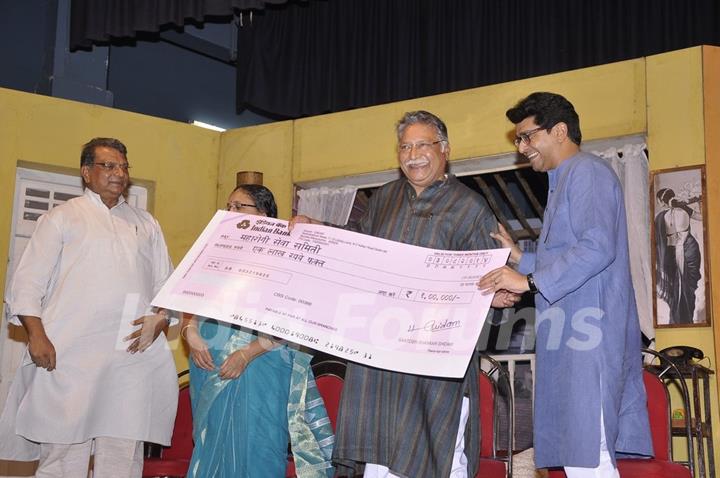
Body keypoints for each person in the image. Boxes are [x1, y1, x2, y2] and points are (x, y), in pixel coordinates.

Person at [291, 111, 518, 478]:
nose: (413, 154)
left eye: (422, 145)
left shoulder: (470, 209)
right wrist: (316, 228)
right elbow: (355, 249)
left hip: (435, 366)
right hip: (380, 358)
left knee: (438, 455)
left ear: (444, 149)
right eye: (405, 146)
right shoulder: (383, 200)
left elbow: (489, 276)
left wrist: (490, 295)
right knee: (378, 460)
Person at [478, 92, 653, 477]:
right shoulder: (563, 182)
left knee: (590, 459)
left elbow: (597, 248)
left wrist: (528, 280)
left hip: (591, 348)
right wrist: (520, 258)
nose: (522, 148)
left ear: (559, 131)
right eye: (519, 140)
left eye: (527, 137)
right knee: (580, 459)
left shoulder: (587, 172)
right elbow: (569, 255)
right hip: (576, 342)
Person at [0, 138, 178, 477]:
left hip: (129, 359)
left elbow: (166, 285)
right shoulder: (62, 218)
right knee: (64, 454)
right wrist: (36, 336)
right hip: (70, 355)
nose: (119, 174)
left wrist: (161, 319)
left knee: (123, 456)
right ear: (86, 172)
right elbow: (27, 284)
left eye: (124, 167)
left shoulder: (146, 224)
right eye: (109, 166)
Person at [182, 184, 335, 478]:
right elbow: (188, 299)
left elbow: (294, 315)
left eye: (240, 206)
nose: (231, 212)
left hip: (261, 364)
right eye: (228, 206)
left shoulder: (284, 257)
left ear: (265, 215)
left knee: (256, 447)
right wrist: (191, 332)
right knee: (210, 446)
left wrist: (247, 353)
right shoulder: (215, 252)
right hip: (209, 362)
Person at [654, 188, 702, 325]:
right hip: (689, 249)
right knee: (685, 285)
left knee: (685, 285)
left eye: (658, 201)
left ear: (662, 201)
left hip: (683, 251)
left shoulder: (661, 216)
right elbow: (702, 217)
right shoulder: (684, 209)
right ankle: (683, 320)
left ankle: (681, 320)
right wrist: (699, 202)